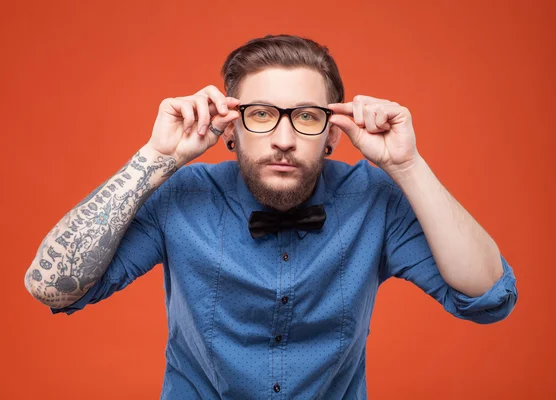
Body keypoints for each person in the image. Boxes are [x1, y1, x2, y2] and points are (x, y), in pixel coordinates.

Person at [24, 34, 518, 399]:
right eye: (261, 114)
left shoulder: (374, 199)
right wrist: (156, 157)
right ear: (232, 129)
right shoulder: (183, 196)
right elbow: (52, 284)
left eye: (305, 116)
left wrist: (406, 165)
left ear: (332, 134)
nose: (283, 138)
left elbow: (487, 293)